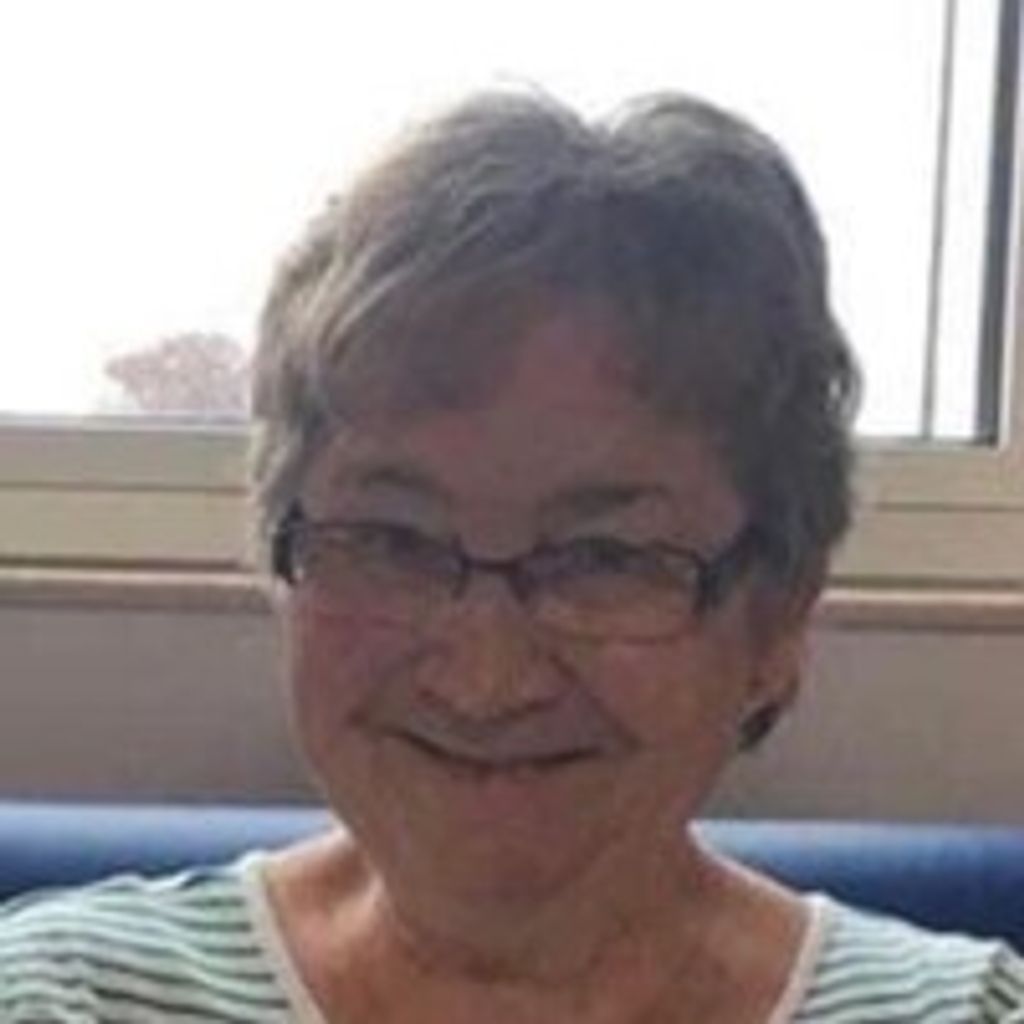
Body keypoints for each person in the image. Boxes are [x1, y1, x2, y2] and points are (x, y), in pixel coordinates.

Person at [2, 88, 1023, 1023]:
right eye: (394, 540)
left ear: (776, 621)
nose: (484, 679)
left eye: (603, 557)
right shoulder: (58, 996)